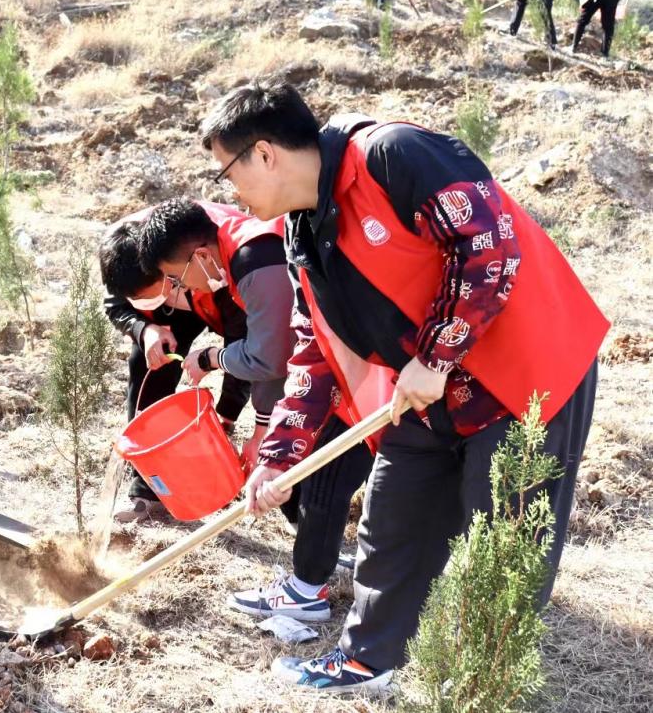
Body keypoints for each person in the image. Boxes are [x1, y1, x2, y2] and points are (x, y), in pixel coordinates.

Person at [199, 80, 606, 694]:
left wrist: (438, 355)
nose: (230, 192)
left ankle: (479, 686)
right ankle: (368, 662)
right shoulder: (302, 234)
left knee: (502, 533)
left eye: (227, 172)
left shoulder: (392, 155)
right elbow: (315, 348)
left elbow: (490, 243)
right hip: (424, 389)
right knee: (390, 518)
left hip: (525, 376)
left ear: (263, 153)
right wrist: (277, 456)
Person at [100, 199, 290, 520]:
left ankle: (226, 453)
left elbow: (253, 353)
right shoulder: (123, 254)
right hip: (172, 312)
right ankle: (148, 488)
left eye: (147, 295)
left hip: (215, 295)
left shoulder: (219, 268)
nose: (139, 301)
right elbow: (114, 303)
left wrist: (226, 418)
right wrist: (143, 328)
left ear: (166, 272)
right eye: (138, 299)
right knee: (148, 364)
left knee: (238, 363)